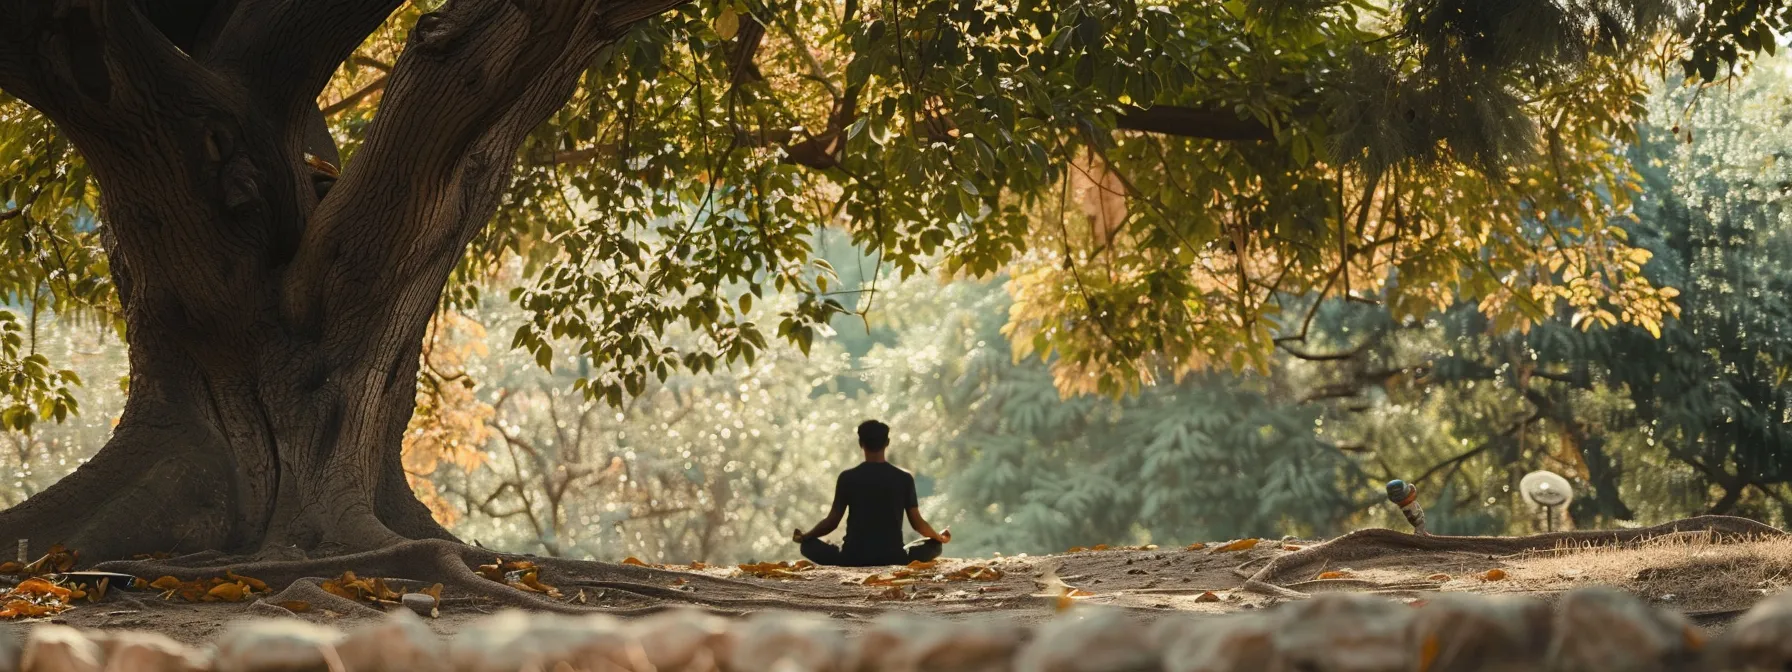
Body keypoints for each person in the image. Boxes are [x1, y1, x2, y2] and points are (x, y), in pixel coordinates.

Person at [792, 420, 951, 566]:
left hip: (852, 557)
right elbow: (918, 524)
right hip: (894, 557)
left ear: (861, 443)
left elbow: (832, 521)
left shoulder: (848, 477)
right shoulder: (903, 478)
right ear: (887, 443)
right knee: (934, 546)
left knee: (808, 546)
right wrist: (938, 537)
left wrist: (807, 536)